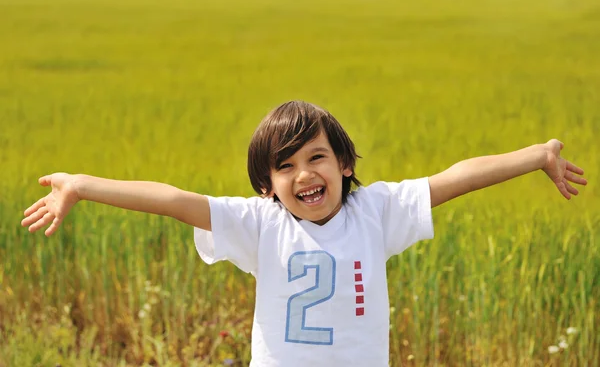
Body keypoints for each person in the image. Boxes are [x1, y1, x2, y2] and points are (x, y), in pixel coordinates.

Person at [21, 100, 587, 366]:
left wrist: (536, 155)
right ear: (267, 185)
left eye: (316, 158)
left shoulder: (376, 211)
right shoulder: (258, 224)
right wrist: (84, 185)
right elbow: (173, 201)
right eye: (285, 166)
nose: (304, 175)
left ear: (344, 163)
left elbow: (453, 179)